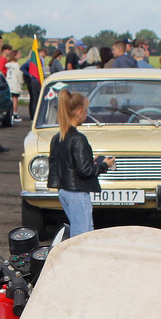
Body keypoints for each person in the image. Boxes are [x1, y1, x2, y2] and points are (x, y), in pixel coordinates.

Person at [46, 89, 113, 238]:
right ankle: (79, 261)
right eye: (86, 110)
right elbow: (85, 170)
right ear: (80, 111)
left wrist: (90, 161)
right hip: (77, 192)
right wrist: (104, 165)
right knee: (82, 234)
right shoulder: (78, 138)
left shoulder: (58, 137)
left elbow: (64, 164)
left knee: (79, 231)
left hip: (64, 190)